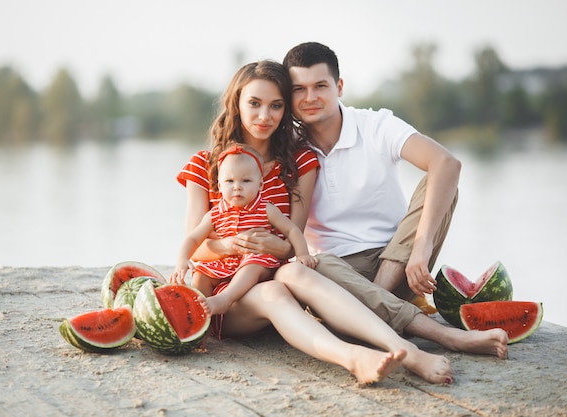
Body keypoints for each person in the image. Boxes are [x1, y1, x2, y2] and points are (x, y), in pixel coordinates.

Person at [177, 59, 507, 387]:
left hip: (267, 278)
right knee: (281, 285)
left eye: (276, 105)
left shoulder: (299, 162)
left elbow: (293, 241)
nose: (265, 116)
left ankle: (402, 349)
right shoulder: (204, 164)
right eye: (254, 103)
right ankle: (357, 355)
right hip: (220, 294)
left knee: (289, 275)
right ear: (235, 103)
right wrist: (231, 245)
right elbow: (198, 248)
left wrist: (271, 246)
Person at [282, 41, 459, 308]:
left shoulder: (376, 125)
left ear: (339, 87)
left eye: (320, 86)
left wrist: (422, 248)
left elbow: (447, 163)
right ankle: (382, 308)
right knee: (310, 266)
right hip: (333, 270)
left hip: (398, 259)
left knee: (442, 184)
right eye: (299, 89)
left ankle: (375, 303)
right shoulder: (287, 145)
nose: (310, 98)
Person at [171, 143, 318, 317]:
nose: (237, 187)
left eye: (246, 181)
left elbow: (292, 230)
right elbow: (193, 238)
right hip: (227, 263)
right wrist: (182, 259)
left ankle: (224, 300)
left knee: (252, 262)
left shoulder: (266, 208)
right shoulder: (215, 213)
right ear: (219, 184)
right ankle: (201, 320)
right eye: (229, 181)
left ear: (260, 184)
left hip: (259, 262)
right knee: (200, 275)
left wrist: (302, 254)